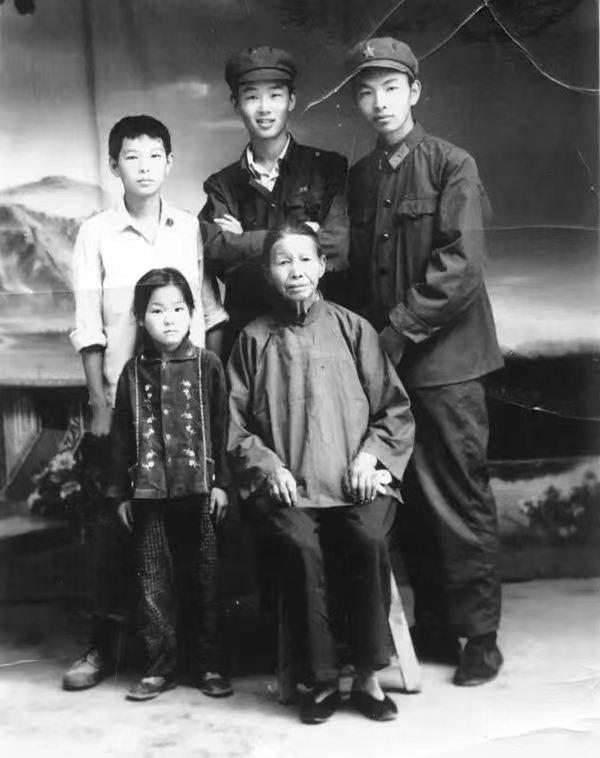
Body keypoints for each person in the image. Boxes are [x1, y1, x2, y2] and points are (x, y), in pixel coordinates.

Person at [345, 37, 504, 686]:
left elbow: (461, 266)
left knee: (458, 498)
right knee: (404, 502)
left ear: (414, 91)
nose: (379, 102)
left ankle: (481, 638)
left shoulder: (451, 164)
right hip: (389, 372)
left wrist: (399, 331)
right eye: (366, 91)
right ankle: (435, 624)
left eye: (391, 88)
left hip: (448, 368)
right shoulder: (361, 178)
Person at [63, 115, 228, 691]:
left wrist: (205, 391)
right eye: (131, 157)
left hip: (183, 402)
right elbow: (88, 325)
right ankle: (99, 647)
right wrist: (99, 402)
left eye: (155, 155)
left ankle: (196, 654)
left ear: (170, 162)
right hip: (124, 401)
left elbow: (206, 313)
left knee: (191, 533)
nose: (144, 167)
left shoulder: (189, 229)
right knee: (114, 525)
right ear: (114, 166)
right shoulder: (96, 233)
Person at [227, 223, 414, 723]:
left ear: (323, 266)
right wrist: (268, 466)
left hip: (356, 483)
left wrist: (371, 458)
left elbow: (394, 409)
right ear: (268, 272)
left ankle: (368, 677)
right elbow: (235, 426)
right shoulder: (253, 339)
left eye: (305, 259)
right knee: (301, 547)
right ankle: (323, 679)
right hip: (289, 489)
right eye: (282, 261)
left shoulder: (354, 330)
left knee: (368, 538)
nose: (296, 271)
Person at [106, 267, 232, 701]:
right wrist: (120, 494)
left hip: (201, 489)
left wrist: (222, 483)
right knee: (153, 580)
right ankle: (160, 667)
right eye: (157, 311)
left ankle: (210, 663)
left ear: (192, 313)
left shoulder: (208, 365)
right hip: (149, 492)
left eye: (179, 309)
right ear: (141, 319)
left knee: (207, 576)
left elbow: (223, 426)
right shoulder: (132, 373)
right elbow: (121, 437)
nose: (169, 319)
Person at [199, 46, 349, 356]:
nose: (264, 108)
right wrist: (301, 237)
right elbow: (214, 250)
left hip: (317, 339)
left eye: (275, 95)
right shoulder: (222, 185)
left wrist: (244, 239)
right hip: (247, 343)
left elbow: (337, 249)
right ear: (236, 104)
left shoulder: (328, 169)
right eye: (252, 96)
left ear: (291, 100)